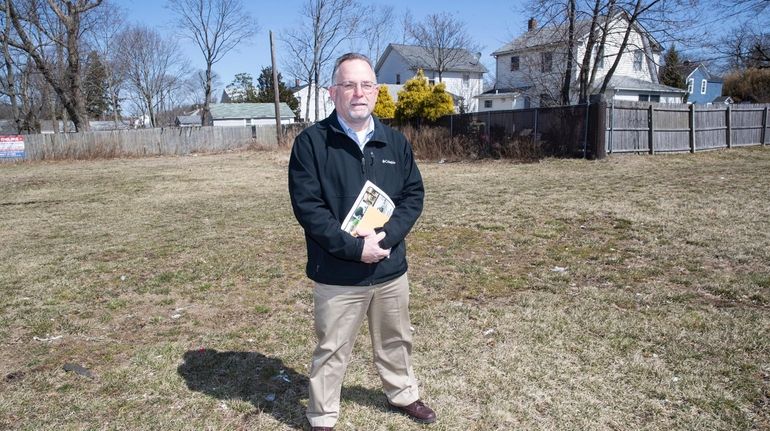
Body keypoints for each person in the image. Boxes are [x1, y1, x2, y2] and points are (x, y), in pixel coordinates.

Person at [288, 53, 436, 431]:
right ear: (332, 92)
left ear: (376, 91)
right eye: (349, 85)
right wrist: (356, 249)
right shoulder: (312, 144)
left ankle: (403, 393)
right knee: (331, 349)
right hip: (338, 272)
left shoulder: (395, 143)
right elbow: (310, 209)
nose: (358, 93)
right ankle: (322, 415)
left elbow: (412, 196)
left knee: (395, 340)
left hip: (389, 267)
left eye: (366, 84)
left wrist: (386, 237)